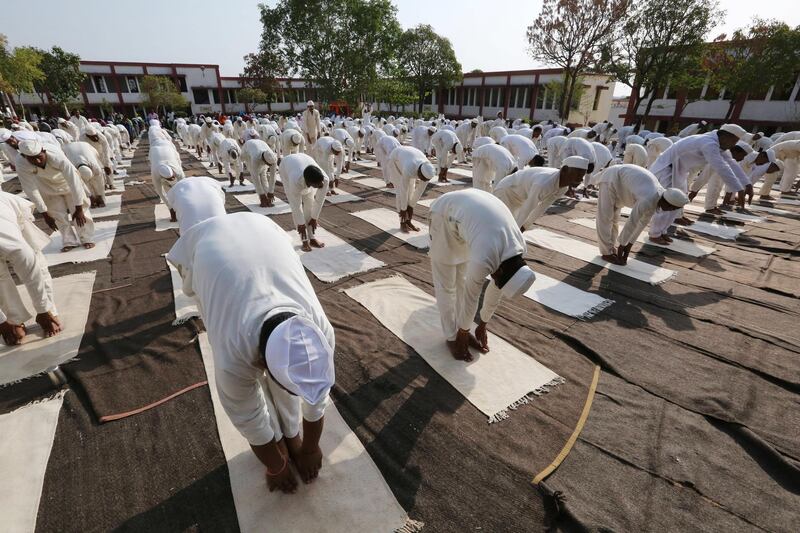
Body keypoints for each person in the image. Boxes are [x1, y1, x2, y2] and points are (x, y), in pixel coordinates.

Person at [167, 210, 334, 495]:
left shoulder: (321, 333)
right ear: (260, 363)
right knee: (254, 400)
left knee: (290, 385)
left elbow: (316, 396)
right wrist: (276, 465)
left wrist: (310, 447)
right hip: (209, 250)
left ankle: (290, 434)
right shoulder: (233, 353)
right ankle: (281, 439)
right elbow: (248, 417)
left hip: (265, 232)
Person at [428, 189, 536, 361]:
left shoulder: (517, 251)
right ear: (499, 271)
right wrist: (463, 332)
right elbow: (473, 296)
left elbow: (496, 291)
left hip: (470, 217)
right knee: (447, 285)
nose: (493, 281)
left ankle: (459, 329)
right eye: (497, 280)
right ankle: (450, 336)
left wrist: (483, 323)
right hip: (445, 213)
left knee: (462, 282)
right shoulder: (485, 257)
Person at [648, 124, 752, 244]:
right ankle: (655, 234)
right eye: (734, 141)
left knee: (678, 202)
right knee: (667, 203)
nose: (734, 145)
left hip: (679, 171)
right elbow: (721, 167)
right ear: (725, 137)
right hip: (667, 169)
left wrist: (747, 184)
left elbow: (731, 163)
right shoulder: (708, 143)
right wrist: (739, 189)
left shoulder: (717, 144)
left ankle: (662, 231)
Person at [594, 164, 689, 265]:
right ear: (668, 202)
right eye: (672, 207)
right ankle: (606, 253)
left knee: (614, 219)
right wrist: (622, 245)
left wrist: (629, 244)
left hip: (622, 185)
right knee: (605, 217)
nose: (671, 210)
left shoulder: (658, 197)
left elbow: (642, 222)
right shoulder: (649, 198)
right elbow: (633, 221)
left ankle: (610, 249)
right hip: (611, 178)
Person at [0, 191, 61, 345]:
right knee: (1, 277)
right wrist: (2, 321)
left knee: (36, 260)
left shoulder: (14, 244)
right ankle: (15, 318)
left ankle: (49, 311)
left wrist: (42, 310)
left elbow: (28, 263)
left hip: (11, 209)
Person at [16, 139, 95, 251]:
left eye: (39, 156)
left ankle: (87, 238)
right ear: (24, 156)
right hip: (47, 187)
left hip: (67, 183)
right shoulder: (21, 163)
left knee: (81, 214)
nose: (37, 161)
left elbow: (74, 181)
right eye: (32, 159)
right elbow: (30, 189)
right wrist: (44, 213)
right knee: (57, 215)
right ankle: (69, 241)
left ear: (43, 150)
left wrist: (79, 208)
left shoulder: (56, 155)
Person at [494, 156, 589, 232]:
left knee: (510, 226)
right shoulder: (544, 183)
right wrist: (517, 230)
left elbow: (542, 207)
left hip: (520, 197)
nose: (580, 180)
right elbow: (528, 207)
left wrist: (524, 226)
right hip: (507, 191)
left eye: (582, 176)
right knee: (498, 223)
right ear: (564, 170)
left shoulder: (563, 188)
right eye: (578, 175)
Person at [279, 153, 329, 252]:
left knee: (309, 205)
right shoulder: (295, 180)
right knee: (298, 211)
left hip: (304, 160)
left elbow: (319, 201)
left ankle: (312, 238)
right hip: (286, 167)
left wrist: (314, 218)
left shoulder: (324, 180)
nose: (321, 186)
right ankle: (304, 240)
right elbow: (296, 206)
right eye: (317, 185)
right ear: (309, 182)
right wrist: (300, 223)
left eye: (321, 183)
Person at [387, 146, 436, 232]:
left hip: (409, 157)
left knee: (411, 190)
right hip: (395, 160)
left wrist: (411, 206)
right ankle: (402, 222)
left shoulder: (427, 170)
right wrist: (403, 209)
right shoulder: (409, 167)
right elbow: (403, 190)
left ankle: (408, 221)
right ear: (419, 173)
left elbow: (419, 190)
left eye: (426, 180)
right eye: (422, 178)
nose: (423, 181)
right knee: (400, 191)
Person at [63, 141, 107, 208]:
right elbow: (81, 183)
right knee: (81, 183)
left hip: (88, 147)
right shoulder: (71, 167)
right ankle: (91, 198)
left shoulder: (95, 166)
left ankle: (99, 198)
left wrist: (101, 196)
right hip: (67, 148)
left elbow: (100, 182)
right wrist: (90, 196)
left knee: (95, 181)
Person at [149, 140, 185, 222]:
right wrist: (170, 208)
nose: (172, 179)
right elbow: (160, 192)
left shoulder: (178, 171)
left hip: (169, 147)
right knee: (168, 191)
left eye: (173, 177)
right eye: (169, 179)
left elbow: (184, 186)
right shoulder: (155, 174)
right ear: (162, 177)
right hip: (154, 150)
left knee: (179, 188)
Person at [242, 139, 279, 207]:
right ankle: (262, 198)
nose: (270, 166)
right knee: (257, 173)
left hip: (261, 144)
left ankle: (267, 197)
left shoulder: (273, 158)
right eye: (268, 164)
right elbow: (255, 178)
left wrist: (271, 192)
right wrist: (261, 194)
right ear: (264, 160)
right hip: (247, 152)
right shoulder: (255, 158)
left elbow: (273, 175)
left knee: (263, 174)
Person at [79, 124, 114, 189]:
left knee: (108, 167)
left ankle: (111, 183)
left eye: (95, 136)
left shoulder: (101, 136)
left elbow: (106, 150)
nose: (95, 138)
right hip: (91, 154)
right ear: (87, 136)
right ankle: (103, 184)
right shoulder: (82, 138)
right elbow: (83, 150)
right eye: (92, 137)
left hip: (101, 152)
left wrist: (106, 164)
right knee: (98, 169)